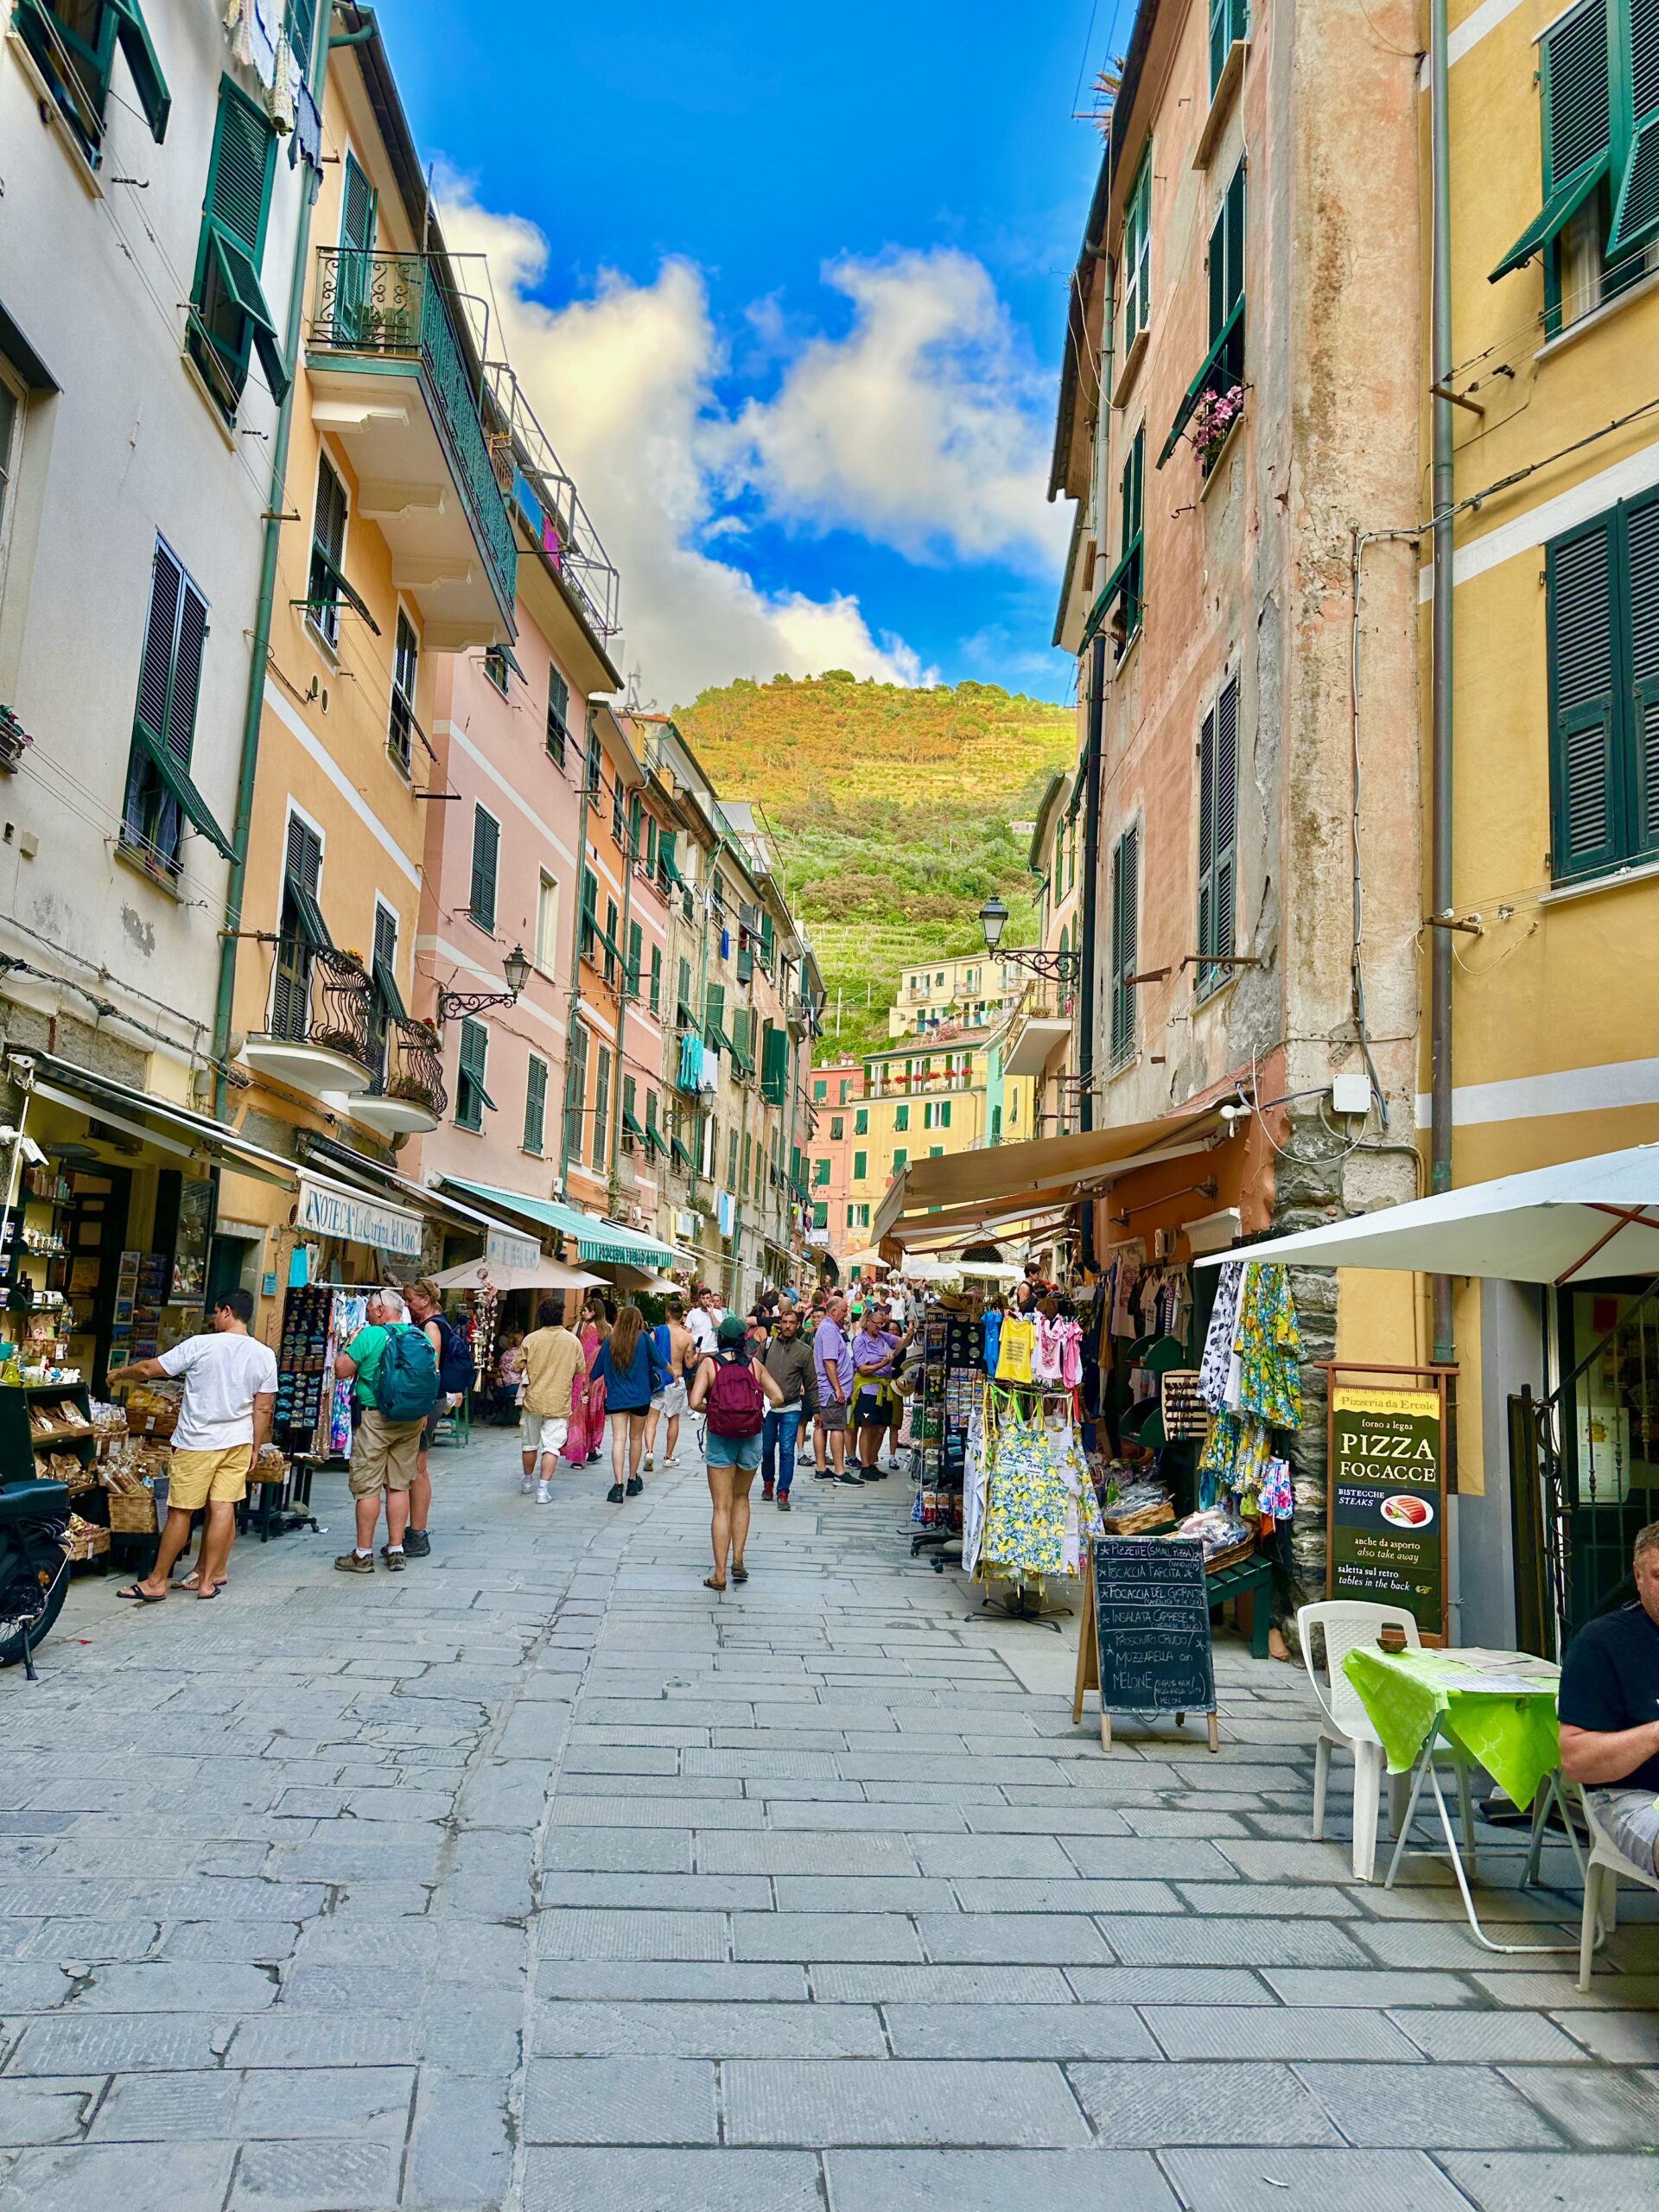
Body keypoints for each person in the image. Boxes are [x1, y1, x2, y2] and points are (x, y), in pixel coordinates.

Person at [111, 1288, 276, 1603]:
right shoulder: (264, 1354)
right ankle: (207, 1580)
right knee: (223, 1506)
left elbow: (149, 1369)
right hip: (238, 1442)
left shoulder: (201, 1345)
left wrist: (119, 1373)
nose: (213, 1318)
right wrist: (255, 1447)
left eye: (215, 1312)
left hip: (197, 1441)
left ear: (227, 1311)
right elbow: (263, 1408)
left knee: (181, 1513)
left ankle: (157, 1581)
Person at [1559, 1522, 1659, 1875]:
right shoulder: (1603, 1642)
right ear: (1639, 1577)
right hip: (1632, 1794)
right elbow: (1577, 1762)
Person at [332, 1287, 440, 1574]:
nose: (367, 1313)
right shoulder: (418, 1336)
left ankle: (363, 1554)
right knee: (399, 1484)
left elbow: (341, 1370)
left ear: (381, 1310)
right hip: (410, 1421)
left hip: (375, 1419)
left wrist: (350, 1343)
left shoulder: (370, 1335)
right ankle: (396, 1550)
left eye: (369, 1308)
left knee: (367, 1485)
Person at [690, 1313, 783, 1590]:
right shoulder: (754, 1366)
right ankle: (739, 1560)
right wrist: (755, 1410)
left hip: (720, 1438)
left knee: (721, 1507)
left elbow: (695, 1402)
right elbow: (778, 1396)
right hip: (750, 1438)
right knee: (741, 1498)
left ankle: (719, 1575)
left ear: (720, 1339)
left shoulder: (710, 1364)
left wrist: (716, 1409)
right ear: (744, 1340)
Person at [402, 1279, 474, 1559]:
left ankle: (417, 1533)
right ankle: (416, 1533)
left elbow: (429, 1370)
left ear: (425, 1300)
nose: (408, 1304)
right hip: (432, 1400)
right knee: (419, 1466)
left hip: (428, 1401)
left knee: (418, 1468)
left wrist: (420, 1409)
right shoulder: (438, 1323)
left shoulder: (432, 1327)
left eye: (411, 1299)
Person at [590, 1304, 667, 1503]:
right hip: (641, 1397)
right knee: (635, 1439)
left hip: (617, 1397)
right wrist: (674, 1374)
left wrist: (588, 1384)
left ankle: (618, 1486)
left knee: (618, 1439)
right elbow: (660, 1360)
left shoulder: (611, 1341)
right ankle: (633, 1480)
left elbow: (597, 1369)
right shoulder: (643, 1338)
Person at [518, 1297, 584, 1502]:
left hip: (533, 1399)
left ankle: (528, 1481)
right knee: (551, 1446)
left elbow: (517, 1365)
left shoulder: (531, 1339)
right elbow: (581, 1368)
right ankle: (543, 1490)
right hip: (559, 1400)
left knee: (530, 1443)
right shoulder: (572, 1341)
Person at [760, 1304, 814, 1509]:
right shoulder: (768, 1346)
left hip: (791, 1406)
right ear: (779, 1323)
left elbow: (811, 1382)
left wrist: (817, 1410)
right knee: (766, 1449)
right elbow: (754, 1369)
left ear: (798, 1325)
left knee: (786, 1449)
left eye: (792, 1323)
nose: (788, 1326)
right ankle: (768, 1483)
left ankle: (783, 1491)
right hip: (768, 1407)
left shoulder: (804, 1351)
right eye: (785, 1322)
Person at [851, 1301, 903, 1482]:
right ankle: (865, 1465)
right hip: (868, 1388)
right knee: (867, 1427)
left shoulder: (882, 1337)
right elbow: (863, 1369)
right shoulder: (859, 1341)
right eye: (878, 1323)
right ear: (868, 1321)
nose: (881, 1326)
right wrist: (882, 1363)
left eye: (882, 1323)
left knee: (881, 1428)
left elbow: (902, 1343)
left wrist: (911, 1332)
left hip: (883, 1388)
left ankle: (872, 1462)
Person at [644, 1294, 695, 1471]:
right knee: (673, 1419)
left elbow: (647, 1353)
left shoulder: (656, 1332)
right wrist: (697, 1354)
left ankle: (649, 1451)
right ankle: (669, 1456)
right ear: (682, 1316)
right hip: (676, 1380)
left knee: (652, 1420)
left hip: (658, 1380)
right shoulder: (687, 1337)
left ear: (667, 1313)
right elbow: (689, 1363)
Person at [814, 1290, 857, 1486]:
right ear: (833, 1312)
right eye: (843, 1310)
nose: (846, 1314)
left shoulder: (827, 1328)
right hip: (832, 1391)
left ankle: (822, 1469)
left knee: (823, 1426)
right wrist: (838, 1389)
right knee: (837, 1428)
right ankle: (840, 1471)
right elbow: (829, 1361)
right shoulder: (830, 1330)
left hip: (828, 1389)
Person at [563, 1294, 610, 1466]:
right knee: (594, 1415)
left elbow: (575, 1350)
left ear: (594, 1312)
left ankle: (578, 1455)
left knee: (579, 1414)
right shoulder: (608, 1329)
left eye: (586, 1310)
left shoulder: (584, 1328)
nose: (583, 1312)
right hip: (600, 1380)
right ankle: (591, 1450)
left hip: (582, 1378)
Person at [492, 1332, 525, 1426]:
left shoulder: (506, 1353)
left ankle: (512, 1414)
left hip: (500, 1386)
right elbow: (519, 1368)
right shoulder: (519, 1354)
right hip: (512, 1386)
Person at [687, 1284, 722, 1363]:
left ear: (710, 1299)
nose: (705, 1300)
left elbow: (718, 1328)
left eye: (707, 1298)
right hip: (698, 1350)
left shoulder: (718, 1313)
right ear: (699, 1299)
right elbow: (686, 1332)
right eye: (703, 1298)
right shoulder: (693, 1313)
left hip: (712, 1350)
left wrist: (711, 1313)